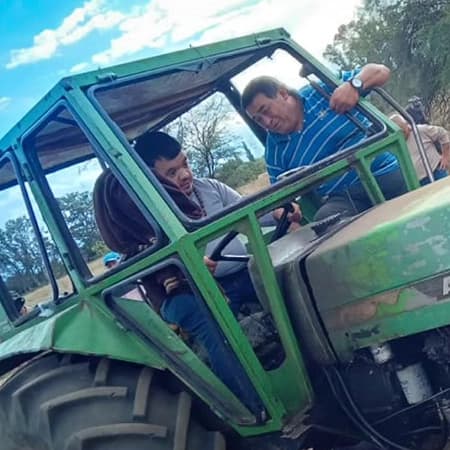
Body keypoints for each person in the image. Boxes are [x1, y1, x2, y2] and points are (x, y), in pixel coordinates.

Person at [241, 64, 408, 221]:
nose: (267, 122)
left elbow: (380, 71)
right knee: (326, 221)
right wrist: (282, 209)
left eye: (265, 110)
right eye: (259, 120)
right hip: (343, 198)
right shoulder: (274, 150)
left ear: (283, 93)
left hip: (382, 172)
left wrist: (354, 86)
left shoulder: (322, 91)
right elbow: (277, 199)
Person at [389, 114, 450, 185]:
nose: (402, 134)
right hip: (419, 182)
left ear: (406, 124)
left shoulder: (420, 130)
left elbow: (442, 133)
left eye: (403, 131)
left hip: (437, 171)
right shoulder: (395, 144)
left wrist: (446, 156)